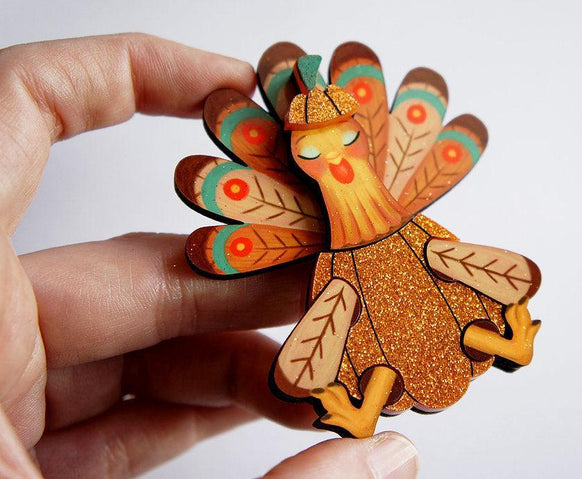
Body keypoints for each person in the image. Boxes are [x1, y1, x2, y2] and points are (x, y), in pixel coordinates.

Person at [0, 33, 419, 479]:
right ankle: (364, 407)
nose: (336, 161)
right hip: (341, 264)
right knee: (356, 334)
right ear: (298, 157)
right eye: (312, 152)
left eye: (349, 138)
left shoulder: (402, 221)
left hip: (394, 248)